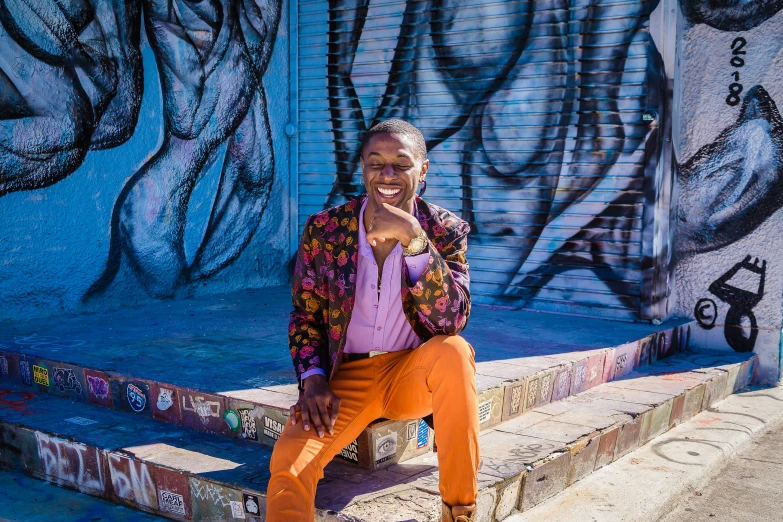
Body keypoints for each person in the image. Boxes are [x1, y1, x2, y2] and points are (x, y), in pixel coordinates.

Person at [266, 119, 479, 522]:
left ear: (423, 170)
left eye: (401, 163)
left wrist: (414, 241)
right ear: (361, 167)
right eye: (375, 162)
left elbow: (452, 318)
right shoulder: (326, 229)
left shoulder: (444, 230)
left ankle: (460, 511)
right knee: (290, 465)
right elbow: (305, 314)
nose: (387, 174)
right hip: (348, 379)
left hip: (411, 373)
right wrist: (312, 379)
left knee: (454, 352)